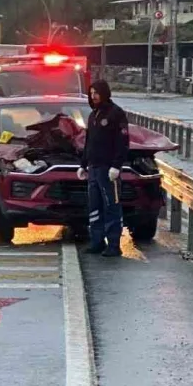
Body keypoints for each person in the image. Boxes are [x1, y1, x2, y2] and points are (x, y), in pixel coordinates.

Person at [80, 80, 130, 258]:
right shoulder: (93, 115)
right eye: (91, 93)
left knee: (111, 206)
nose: (93, 96)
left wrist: (116, 166)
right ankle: (97, 241)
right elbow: (89, 143)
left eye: (96, 93)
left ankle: (114, 245)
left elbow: (122, 143)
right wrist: (83, 164)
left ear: (104, 93)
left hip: (108, 170)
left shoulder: (116, 114)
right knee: (95, 207)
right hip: (94, 168)